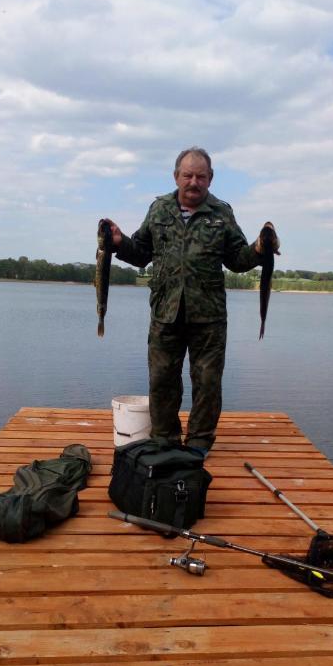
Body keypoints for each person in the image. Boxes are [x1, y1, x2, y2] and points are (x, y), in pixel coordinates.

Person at [106, 147, 279, 455]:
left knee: (208, 383)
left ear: (210, 179)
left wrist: (258, 248)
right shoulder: (159, 209)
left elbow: (237, 260)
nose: (194, 182)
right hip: (165, 312)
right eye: (187, 175)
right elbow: (141, 252)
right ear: (176, 177)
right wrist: (120, 243)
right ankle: (164, 440)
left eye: (201, 176)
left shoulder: (222, 213)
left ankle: (198, 444)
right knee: (162, 381)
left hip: (208, 317)